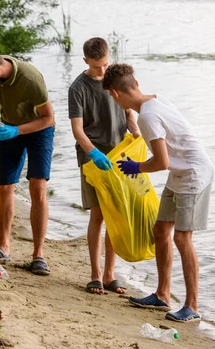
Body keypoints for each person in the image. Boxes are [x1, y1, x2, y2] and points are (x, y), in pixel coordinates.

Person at [102, 63, 215, 322]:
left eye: (111, 96)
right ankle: (162, 295)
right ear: (136, 83)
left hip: (194, 176)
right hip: (180, 175)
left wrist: (135, 167)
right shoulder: (155, 100)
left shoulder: (147, 116)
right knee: (161, 230)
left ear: (115, 95)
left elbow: (161, 162)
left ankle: (192, 306)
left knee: (183, 239)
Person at [0, 43, 55, 276]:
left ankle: (38, 255)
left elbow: (48, 118)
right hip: (8, 127)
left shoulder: (30, 79)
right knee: (5, 186)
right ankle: (3, 246)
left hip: (38, 130)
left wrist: (18, 131)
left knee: (37, 187)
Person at [68, 38, 140, 294]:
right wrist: (94, 153)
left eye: (106, 65)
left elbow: (129, 111)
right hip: (92, 158)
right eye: (97, 66)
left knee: (116, 215)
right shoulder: (78, 88)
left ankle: (111, 274)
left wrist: (136, 132)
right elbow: (77, 130)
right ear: (86, 61)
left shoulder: (115, 80)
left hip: (120, 154)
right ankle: (96, 274)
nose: (102, 71)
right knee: (98, 215)